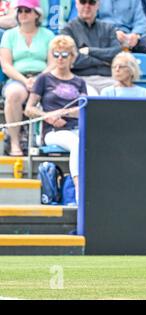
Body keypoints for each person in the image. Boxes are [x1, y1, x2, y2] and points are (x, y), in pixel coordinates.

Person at [24, 35, 87, 201]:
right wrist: (48, 116)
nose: (60, 58)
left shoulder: (79, 82)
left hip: (76, 128)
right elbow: (29, 109)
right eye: (56, 54)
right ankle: (79, 189)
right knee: (77, 143)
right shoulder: (44, 79)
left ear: (72, 57)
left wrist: (65, 112)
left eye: (65, 54)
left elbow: (84, 109)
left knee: (83, 141)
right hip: (53, 131)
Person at [0, 0, 55, 156]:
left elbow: (52, 63)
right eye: (20, 11)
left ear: (36, 14)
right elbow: (6, 65)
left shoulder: (48, 35)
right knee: (13, 94)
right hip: (19, 78)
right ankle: (14, 142)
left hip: (44, 78)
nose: (23, 14)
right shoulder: (9, 35)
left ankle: (48, 140)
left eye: (27, 11)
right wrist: (26, 81)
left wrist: (39, 79)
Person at [61, 0, 121, 95]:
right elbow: (73, 60)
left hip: (109, 79)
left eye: (92, 2)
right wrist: (103, 61)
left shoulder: (108, 28)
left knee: (123, 94)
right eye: (83, 2)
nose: (87, 6)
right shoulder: (68, 30)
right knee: (90, 96)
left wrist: (89, 51)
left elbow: (117, 54)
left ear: (98, 5)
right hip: (82, 79)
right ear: (76, 4)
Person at [98, 0, 146, 64]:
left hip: (129, 37)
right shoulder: (94, 2)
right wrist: (113, 33)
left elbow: (141, 22)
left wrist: (135, 35)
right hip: (107, 37)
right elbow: (92, 21)